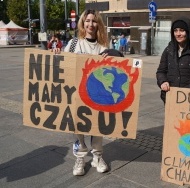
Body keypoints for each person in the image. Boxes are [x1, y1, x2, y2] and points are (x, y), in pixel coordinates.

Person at [63, 9, 109, 176]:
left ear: (98, 24)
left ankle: (97, 156)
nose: (91, 24)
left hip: (97, 95)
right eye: (88, 20)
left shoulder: (104, 47)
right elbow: (62, 64)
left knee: (98, 127)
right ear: (82, 23)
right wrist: (55, 55)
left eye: (94, 21)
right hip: (77, 94)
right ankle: (80, 158)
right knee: (78, 127)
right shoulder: (75, 44)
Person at [156, 17, 190, 104]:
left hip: (189, 98)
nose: (178, 34)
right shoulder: (168, 50)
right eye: (175, 30)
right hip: (170, 96)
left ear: (188, 32)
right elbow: (161, 71)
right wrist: (163, 81)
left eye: (182, 30)